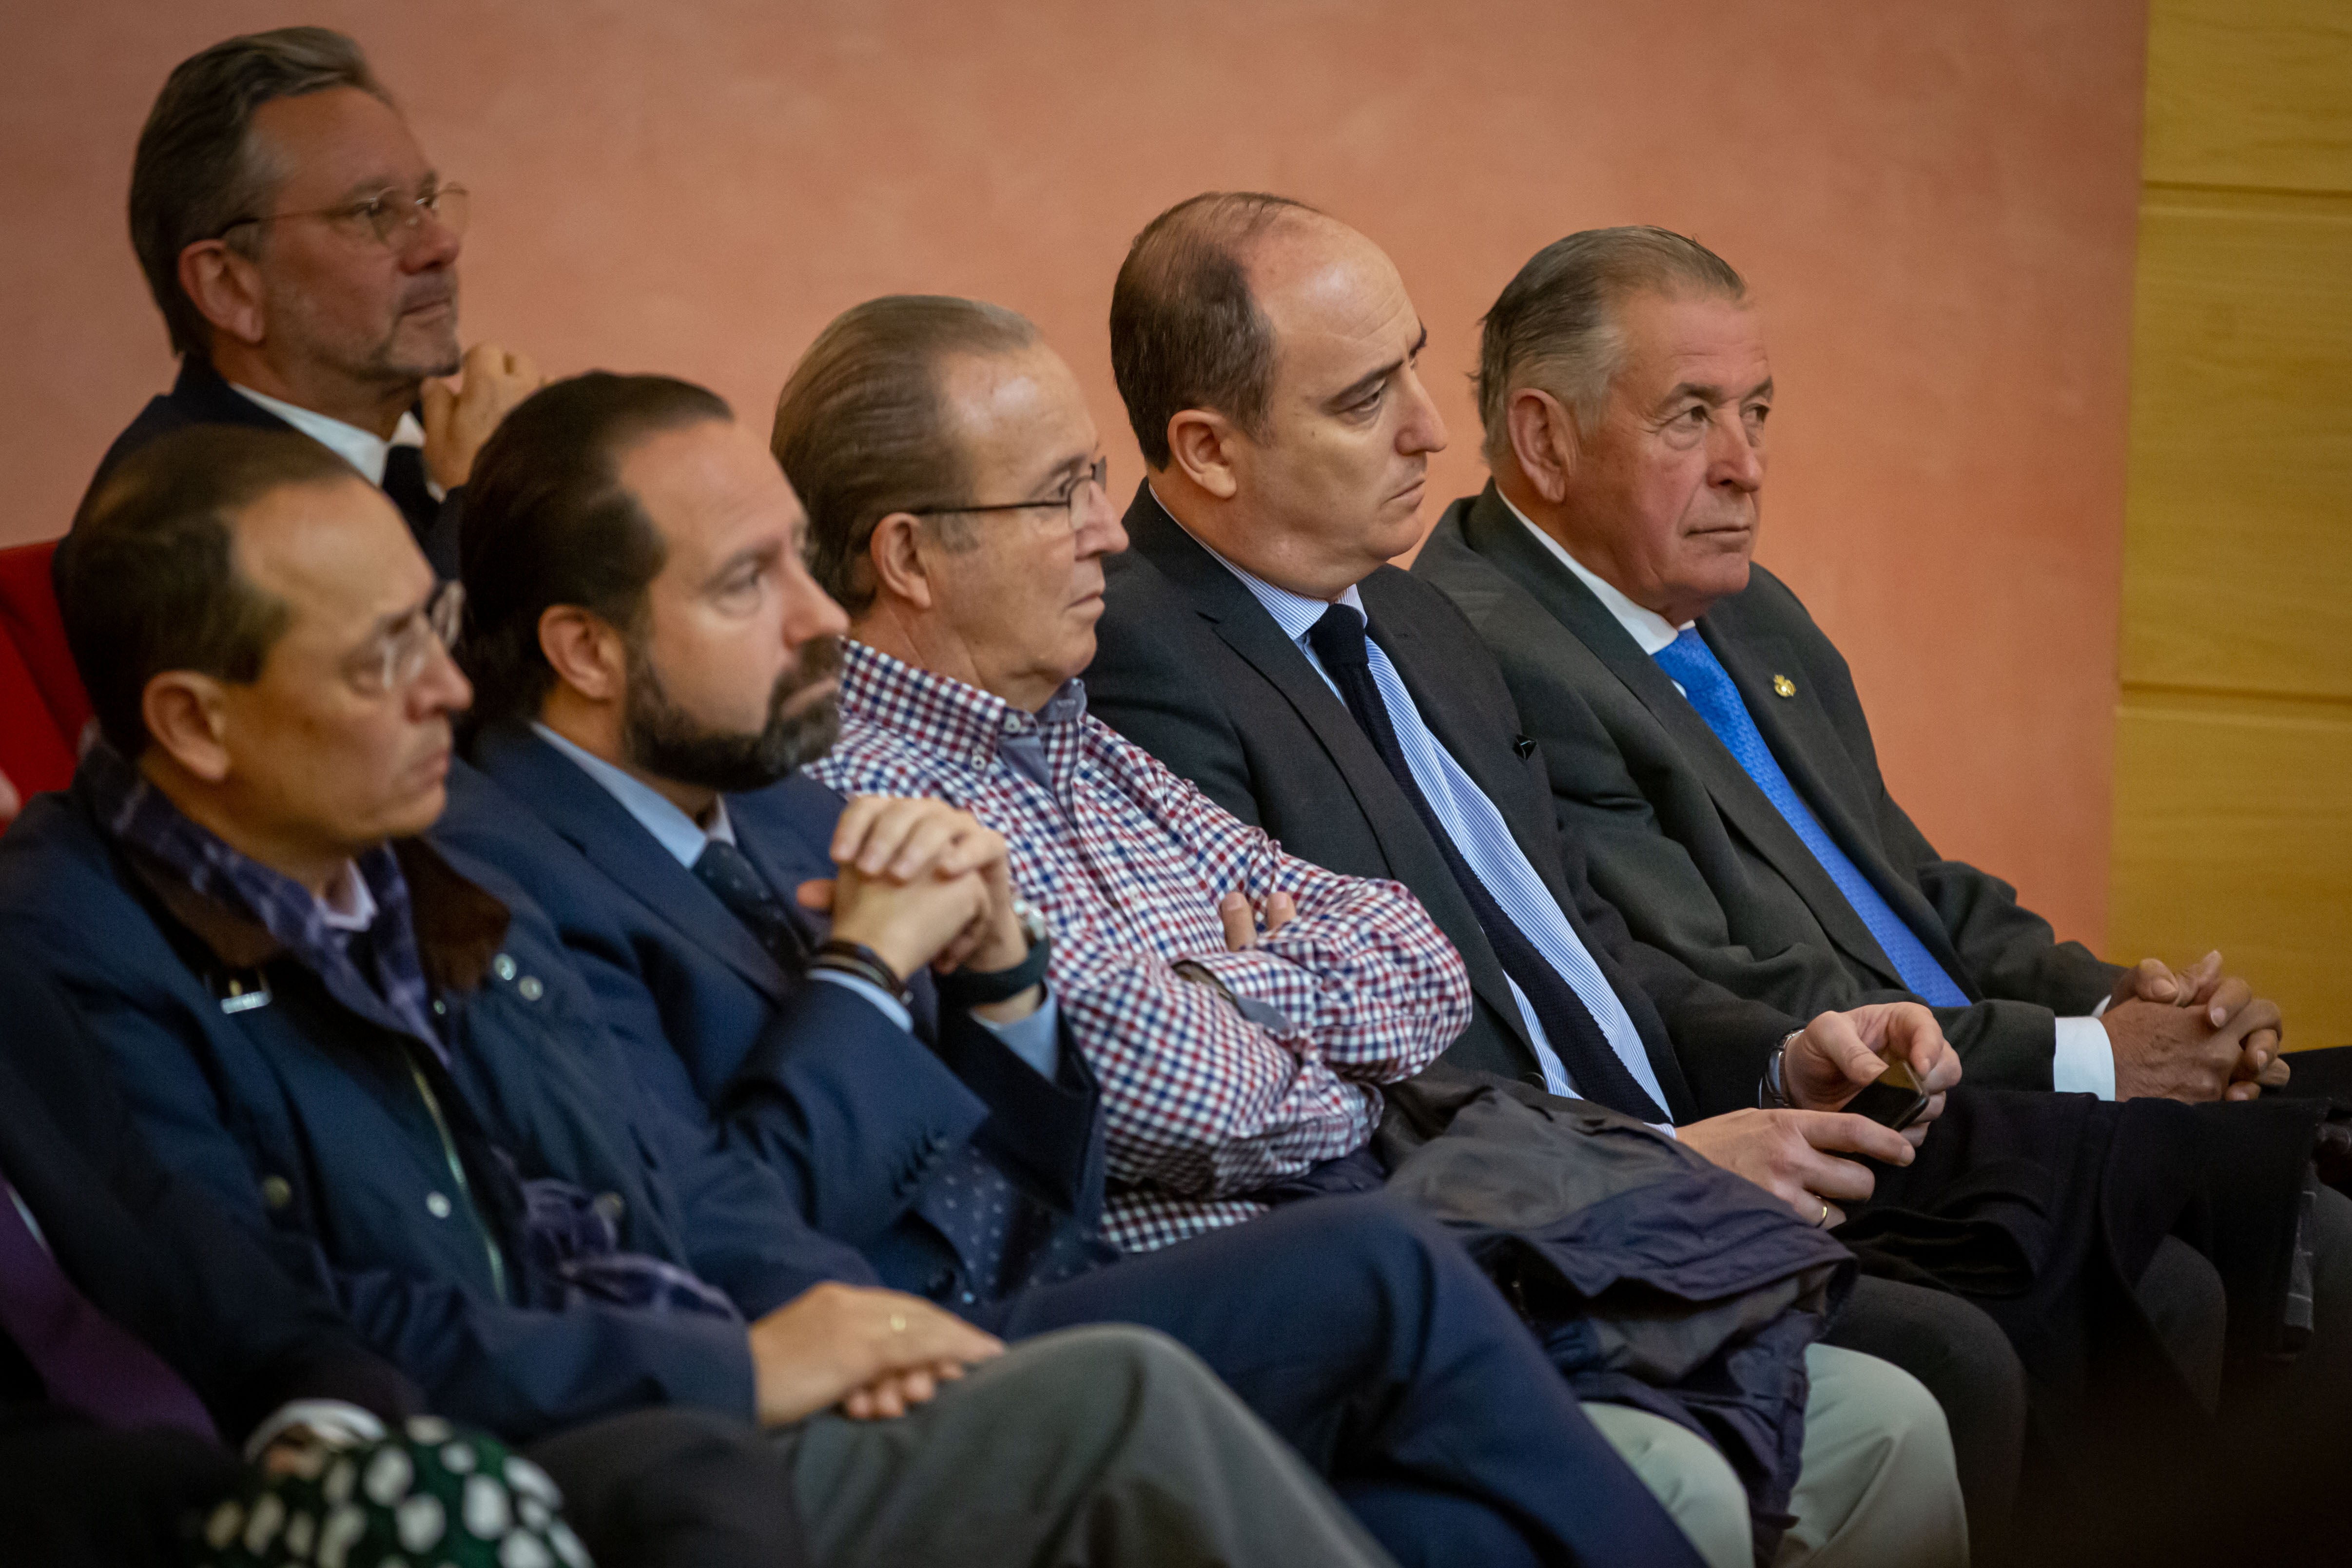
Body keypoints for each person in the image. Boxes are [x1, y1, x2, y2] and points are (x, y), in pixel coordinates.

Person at [0, 423, 1539, 1568]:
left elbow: (644, 1195)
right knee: (1305, 1306)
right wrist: (863, 1000)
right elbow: (289, 1318)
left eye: (428, 626)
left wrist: (999, 986)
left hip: (822, 1325)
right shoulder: (391, 865)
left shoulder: (409, 854)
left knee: (1452, 1457)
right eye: (379, 656)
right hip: (628, 1424)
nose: (444, 690)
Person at [431, 370, 1809, 1568]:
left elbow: (1377, 971)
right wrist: (862, 971)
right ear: (586, 650)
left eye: (802, 560)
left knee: (1460, 1524)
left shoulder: (775, 801)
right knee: (1370, 1267)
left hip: (1037, 1286)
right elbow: (722, 1236)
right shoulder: (502, 886)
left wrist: (1005, 992)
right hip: (862, 1373)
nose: (813, 618)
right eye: (750, 584)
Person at [752, 297, 1966, 1568]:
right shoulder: (866, 803)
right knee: (1702, 1481)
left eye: (1098, 484)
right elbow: (1182, 1095)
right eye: (1061, 495)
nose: (1109, 530)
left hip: (1417, 1244)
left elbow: (1419, 960)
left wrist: (1218, 983)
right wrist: (1273, 998)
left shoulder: (1079, 740)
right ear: (908, 557)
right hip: (1216, 1328)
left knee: (1895, 1425)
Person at [1414, 224, 2287, 1106]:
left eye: (1755, 412)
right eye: (1691, 416)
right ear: (1546, 441)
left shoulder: (1746, 607)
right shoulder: (1490, 659)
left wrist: (2124, 1006)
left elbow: (1908, 884)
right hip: (1861, 1135)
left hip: (1981, 1087)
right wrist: (2090, 1058)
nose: (1746, 467)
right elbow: (1742, 1000)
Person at [86, 27, 537, 576]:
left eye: (426, 201)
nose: (441, 244)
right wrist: (479, 499)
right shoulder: (177, 521)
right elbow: (405, 663)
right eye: (372, 212)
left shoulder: (445, 438)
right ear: (229, 286)